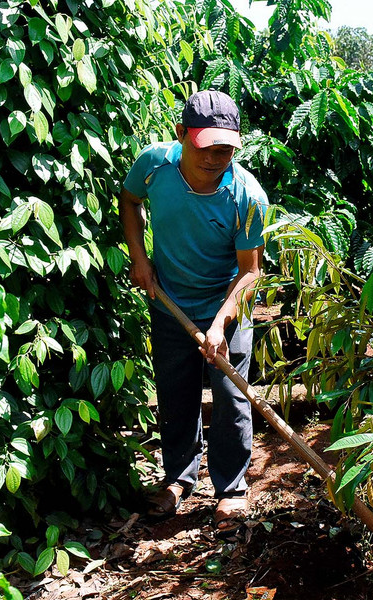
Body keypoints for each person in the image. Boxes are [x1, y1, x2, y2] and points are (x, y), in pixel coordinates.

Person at [119, 90, 267, 537]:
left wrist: (221, 323)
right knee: (175, 392)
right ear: (182, 134)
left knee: (229, 396)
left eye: (226, 149)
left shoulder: (247, 196)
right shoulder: (154, 166)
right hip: (169, 302)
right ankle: (180, 478)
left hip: (227, 305)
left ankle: (231, 489)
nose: (215, 158)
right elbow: (129, 200)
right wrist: (139, 258)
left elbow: (250, 273)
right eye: (206, 147)